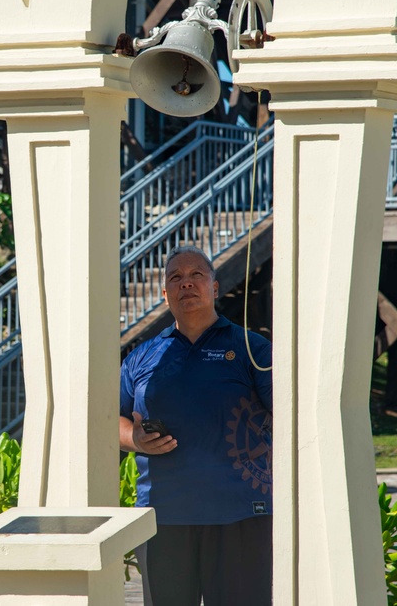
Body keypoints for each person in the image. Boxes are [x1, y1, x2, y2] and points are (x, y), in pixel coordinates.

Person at [119, 245, 272, 606]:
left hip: (240, 513)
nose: (185, 283)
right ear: (165, 293)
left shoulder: (251, 347)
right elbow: (113, 420)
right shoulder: (142, 357)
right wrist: (137, 440)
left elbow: (288, 412)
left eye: (196, 275)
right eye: (175, 277)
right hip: (163, 517)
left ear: (215, 288)